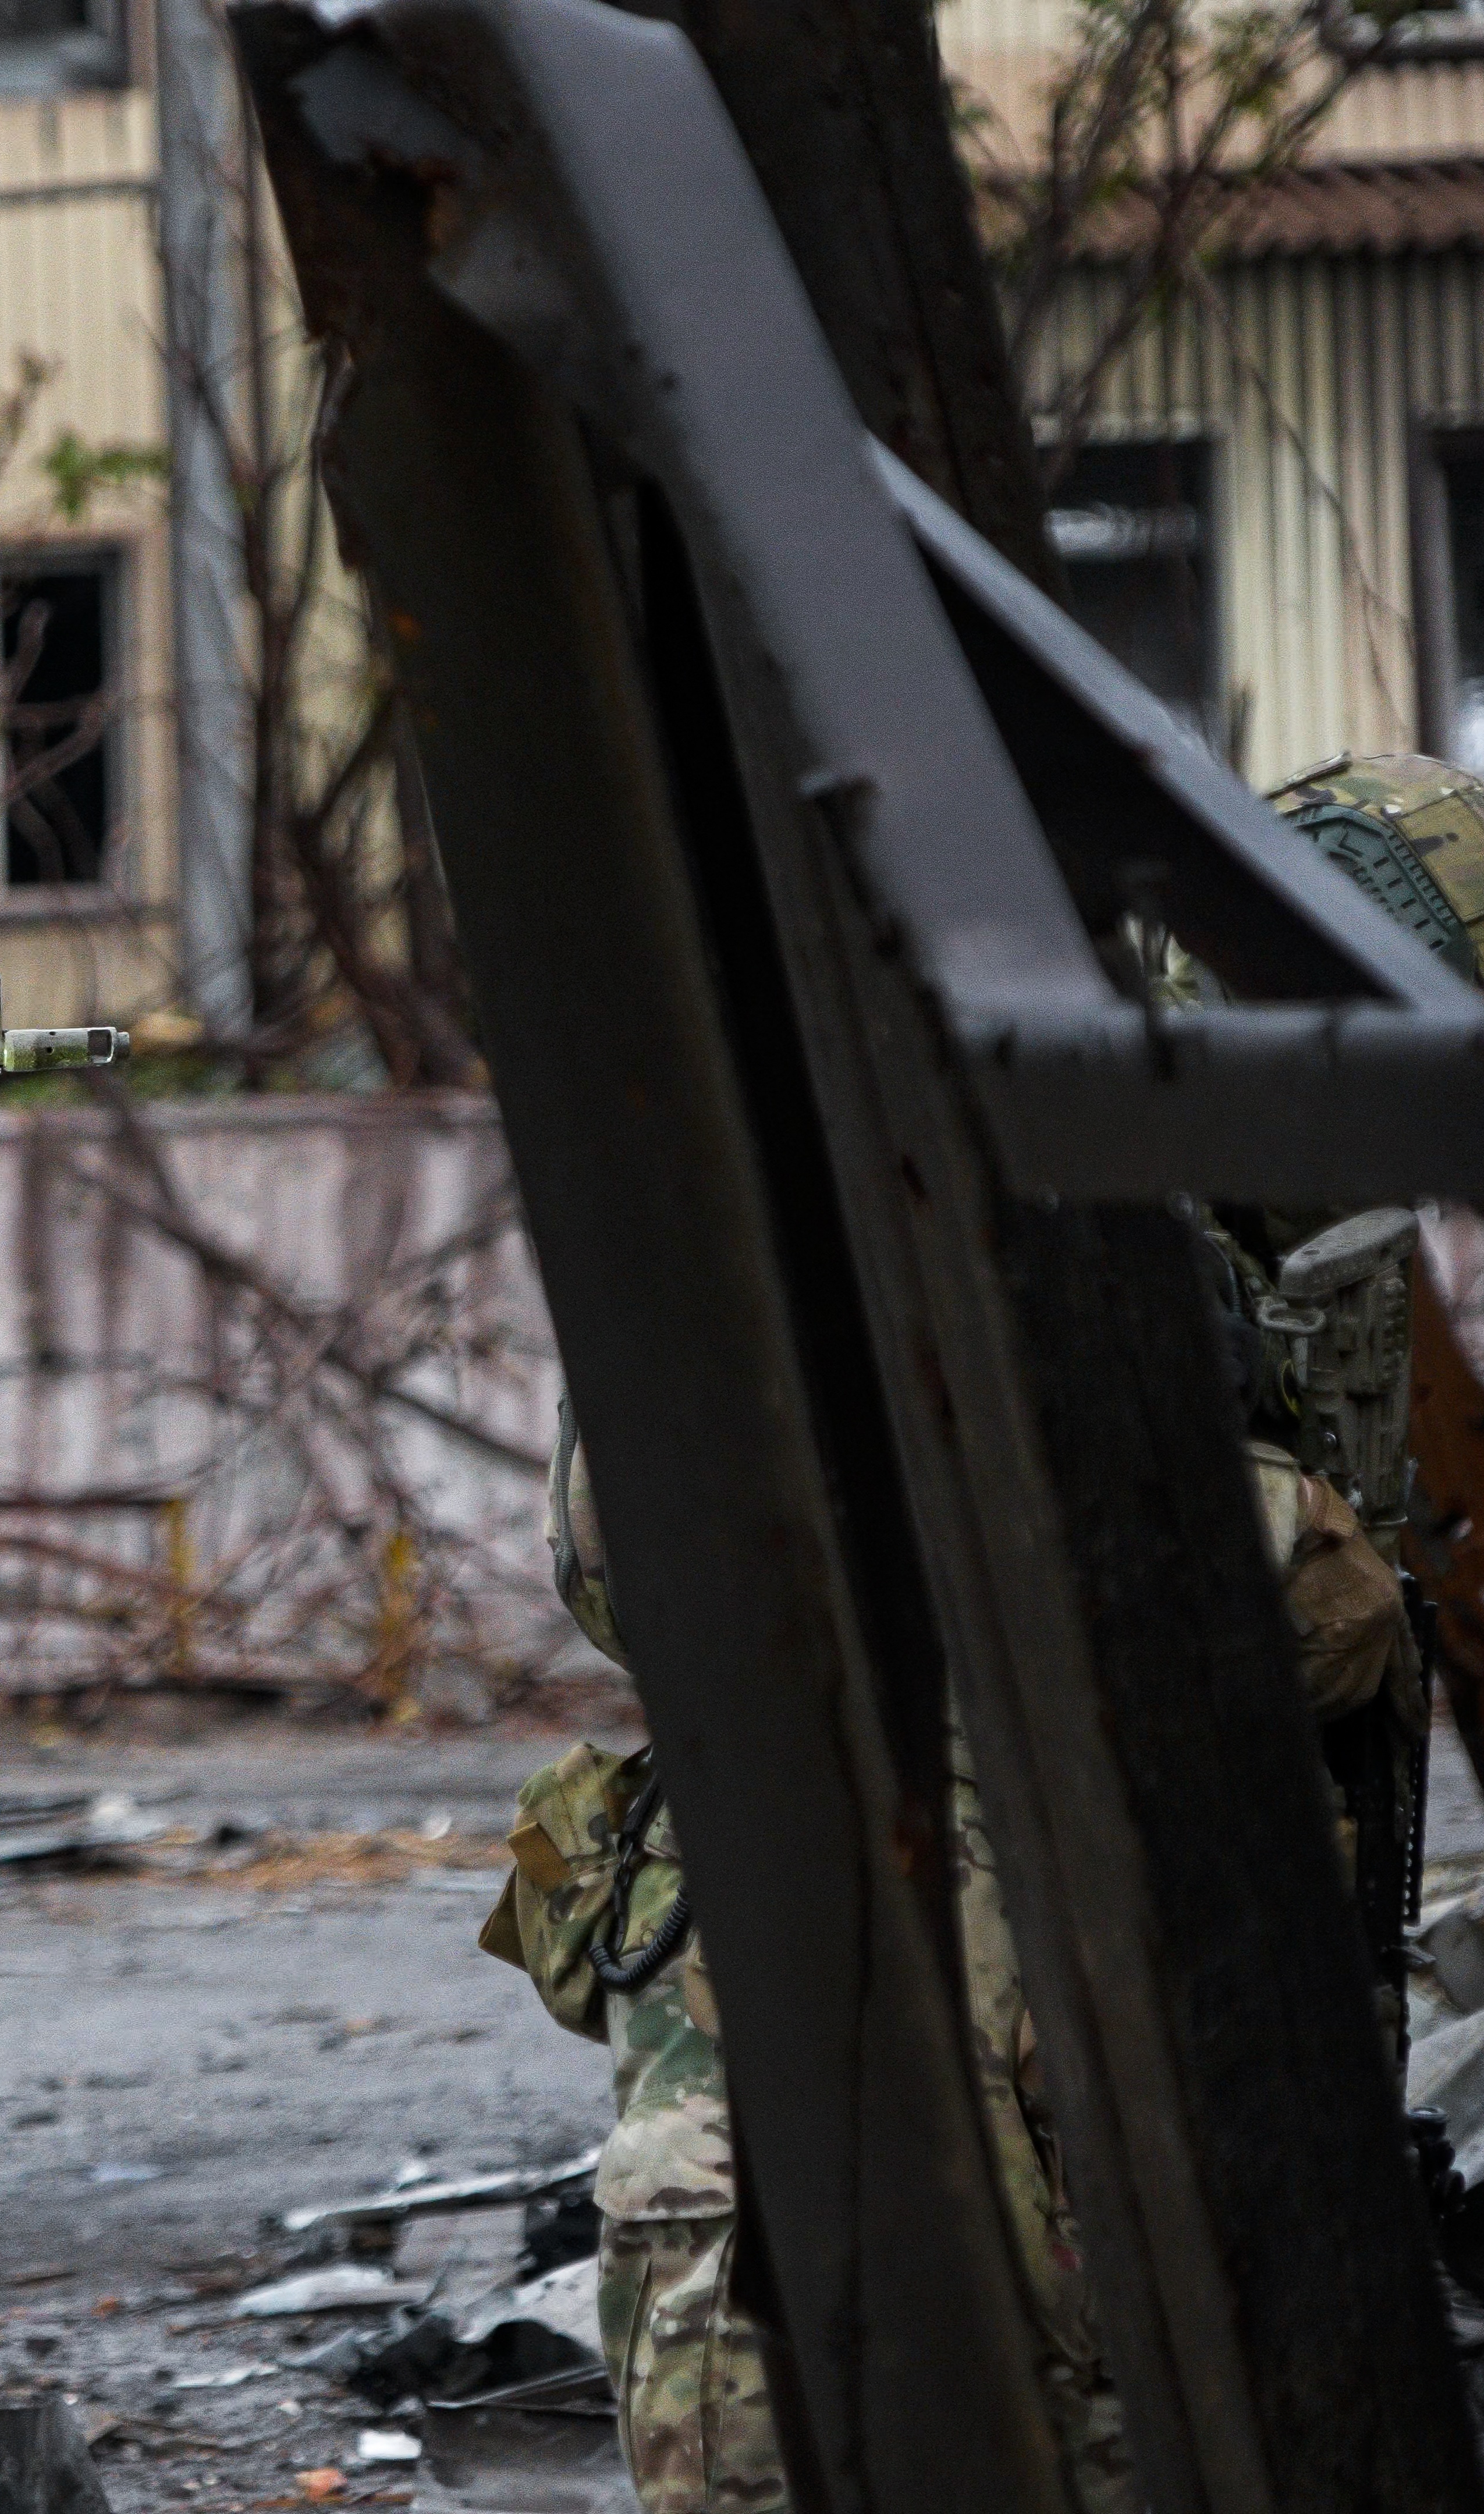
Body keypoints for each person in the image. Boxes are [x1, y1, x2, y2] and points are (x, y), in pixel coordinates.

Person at [484, 755, 1461, 2514]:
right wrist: (1198, 1506)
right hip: (854, 2071)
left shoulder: (1283, 1235)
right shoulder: (988, 1145)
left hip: (1117, 2082)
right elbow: (637, 1546)